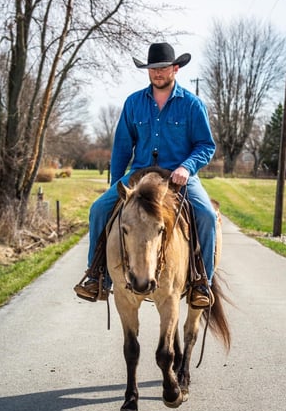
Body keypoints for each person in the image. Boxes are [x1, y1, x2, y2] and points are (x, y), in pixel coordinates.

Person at [74, 42, 217, 308]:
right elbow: (121, 149)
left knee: (207, 216)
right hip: (138, 176)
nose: (157, 74)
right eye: (152, 69)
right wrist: (115, 188)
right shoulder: (134, 103)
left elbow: (206, 145)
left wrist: (187, 167)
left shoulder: (192, 105)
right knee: (97, 210)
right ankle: (97, 276)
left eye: (163, 68)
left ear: (175, 69)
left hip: (178, 176)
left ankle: (201, 283)